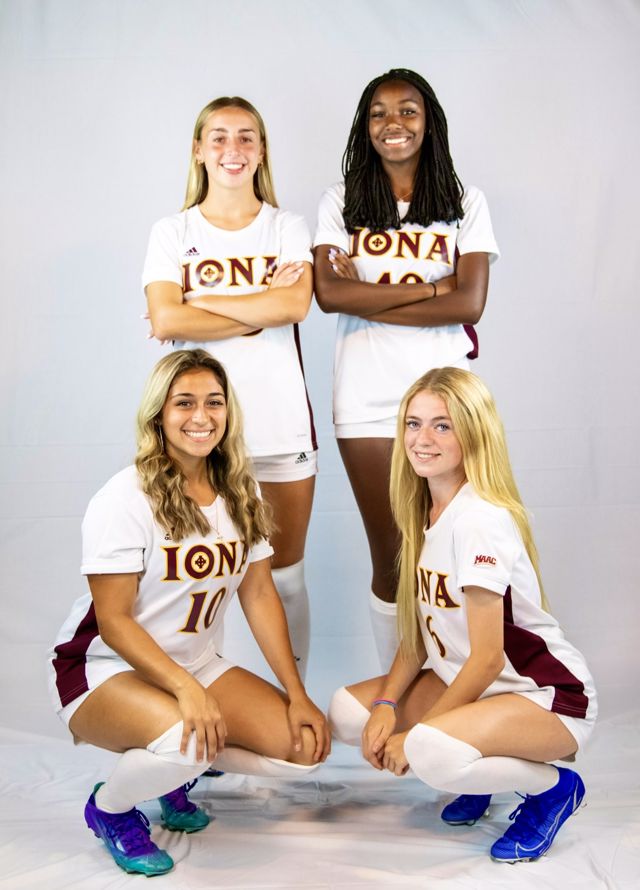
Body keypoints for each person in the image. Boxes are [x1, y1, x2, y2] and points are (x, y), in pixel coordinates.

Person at [48, 349, 330, 876]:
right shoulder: (124, 497)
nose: (201, 416)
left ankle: (171, 773)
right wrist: (186, 690)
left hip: (195, 664)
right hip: (101, 669)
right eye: (184, 403)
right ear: (158, 413)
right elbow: (114, 622)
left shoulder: (239, 490)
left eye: (213, 402)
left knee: (305, 746)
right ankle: (110, 808)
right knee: (190, 743)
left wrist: (296, 692)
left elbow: (259, 594)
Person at [328, 367, 596, 863]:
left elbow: (489, 658)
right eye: (413, 423)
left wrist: (417, 734)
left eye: (442, 425)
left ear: (473, 433)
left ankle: (554, 789)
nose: (422, 439)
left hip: (543, 696)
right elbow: (419, 635)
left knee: (429, 751)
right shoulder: (426, 510)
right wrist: (386, 704)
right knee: (349, 713)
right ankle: (477, 770)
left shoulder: (478, 520)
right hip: (476, 684)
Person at [313, 69, 499, 669]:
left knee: (452, 545)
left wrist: (371, 296)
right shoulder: (341, 202)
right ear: (364, 127)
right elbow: (330, 296)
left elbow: (470, 303)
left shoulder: (465, 202)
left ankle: (453, 681)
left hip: (444, 398)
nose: (393, 123)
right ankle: (396, 693)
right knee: (393, 557)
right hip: (365, 398)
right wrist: (432, 287)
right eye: (379, 113)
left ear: (429, 121)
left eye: (407, 110)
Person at [143, 97, 316, 678]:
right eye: (218, 137)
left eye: (246, 137)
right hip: (198, 432)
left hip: (280, 425)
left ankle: (292, 702)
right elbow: (166, 319)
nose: (232, 149)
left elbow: (294, 305)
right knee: (203, 574)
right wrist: (258, 306)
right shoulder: (172, 231)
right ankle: (211, 698)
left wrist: (199, 300)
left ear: (261, 151)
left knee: (283, 577)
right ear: (198, 150)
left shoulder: (286, 226)